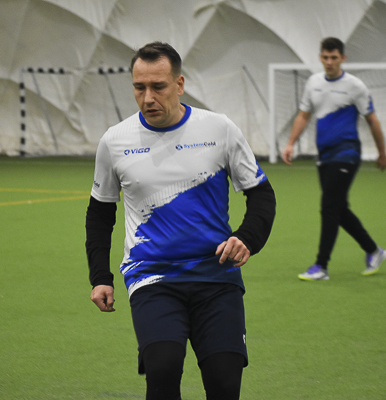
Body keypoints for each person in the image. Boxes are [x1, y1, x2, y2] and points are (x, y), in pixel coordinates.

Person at [85, 41, 276, 400]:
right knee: (163, 369)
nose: (148, 98)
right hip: (152, 276)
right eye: (139, 87)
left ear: (179, 84)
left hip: (216, 276)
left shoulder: (219, 129)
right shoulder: (114, 141)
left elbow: (261, 194)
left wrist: (247, 238)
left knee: (224, 382)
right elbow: (100, 214)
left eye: (158, 86)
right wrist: (100, 277)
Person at [282, 37, 386, 281]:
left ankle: (321, 266)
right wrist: (290, 143)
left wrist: (382, 152)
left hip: (347, 153)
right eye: (325, 57)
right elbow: (303, 116)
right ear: (320, 57)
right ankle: (374, 251)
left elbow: (372, 120)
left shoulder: (355, 86)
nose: (329, 62)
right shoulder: (313, 83)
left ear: (343, 58)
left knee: (329, 208)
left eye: (334, 57)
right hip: (325, 155)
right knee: (338, 209)